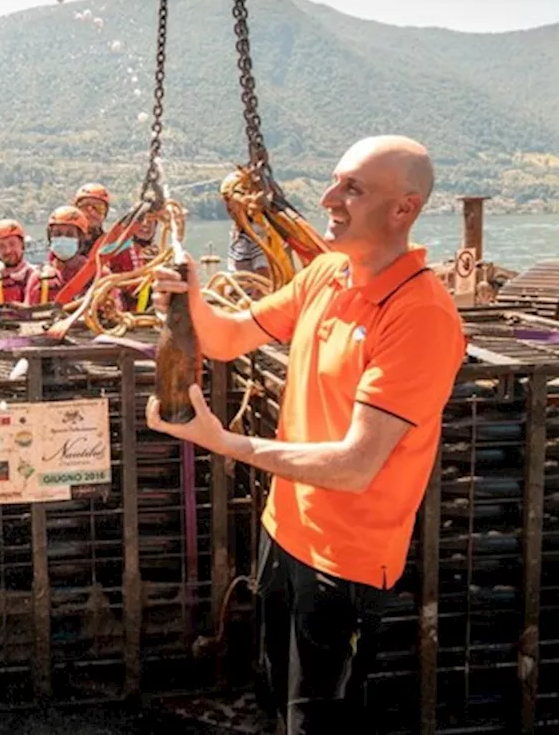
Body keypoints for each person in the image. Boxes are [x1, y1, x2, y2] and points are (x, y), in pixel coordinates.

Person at [146, 136, 466, 734]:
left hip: (344, 563)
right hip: (285, 532)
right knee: (274, 696)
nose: (328, 198)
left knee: (315, 721)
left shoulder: (420, 316)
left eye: (353, 189)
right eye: (335, 180)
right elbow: (228, 338)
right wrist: (191, 297)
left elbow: (355, 465)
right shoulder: (325, 273)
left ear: (405, 209)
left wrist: (228, 444)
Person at [26, 205, 93, 305]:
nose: (63, 238)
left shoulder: (97, 273)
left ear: (80, 239)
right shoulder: (37, 278)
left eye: (70, 234)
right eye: (57, 234)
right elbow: (27, 313)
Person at [73, 182, 110, 255]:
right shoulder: (65, 241)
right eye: (85, 206)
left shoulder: (110, 245)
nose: (92, 213)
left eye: (99, 208)